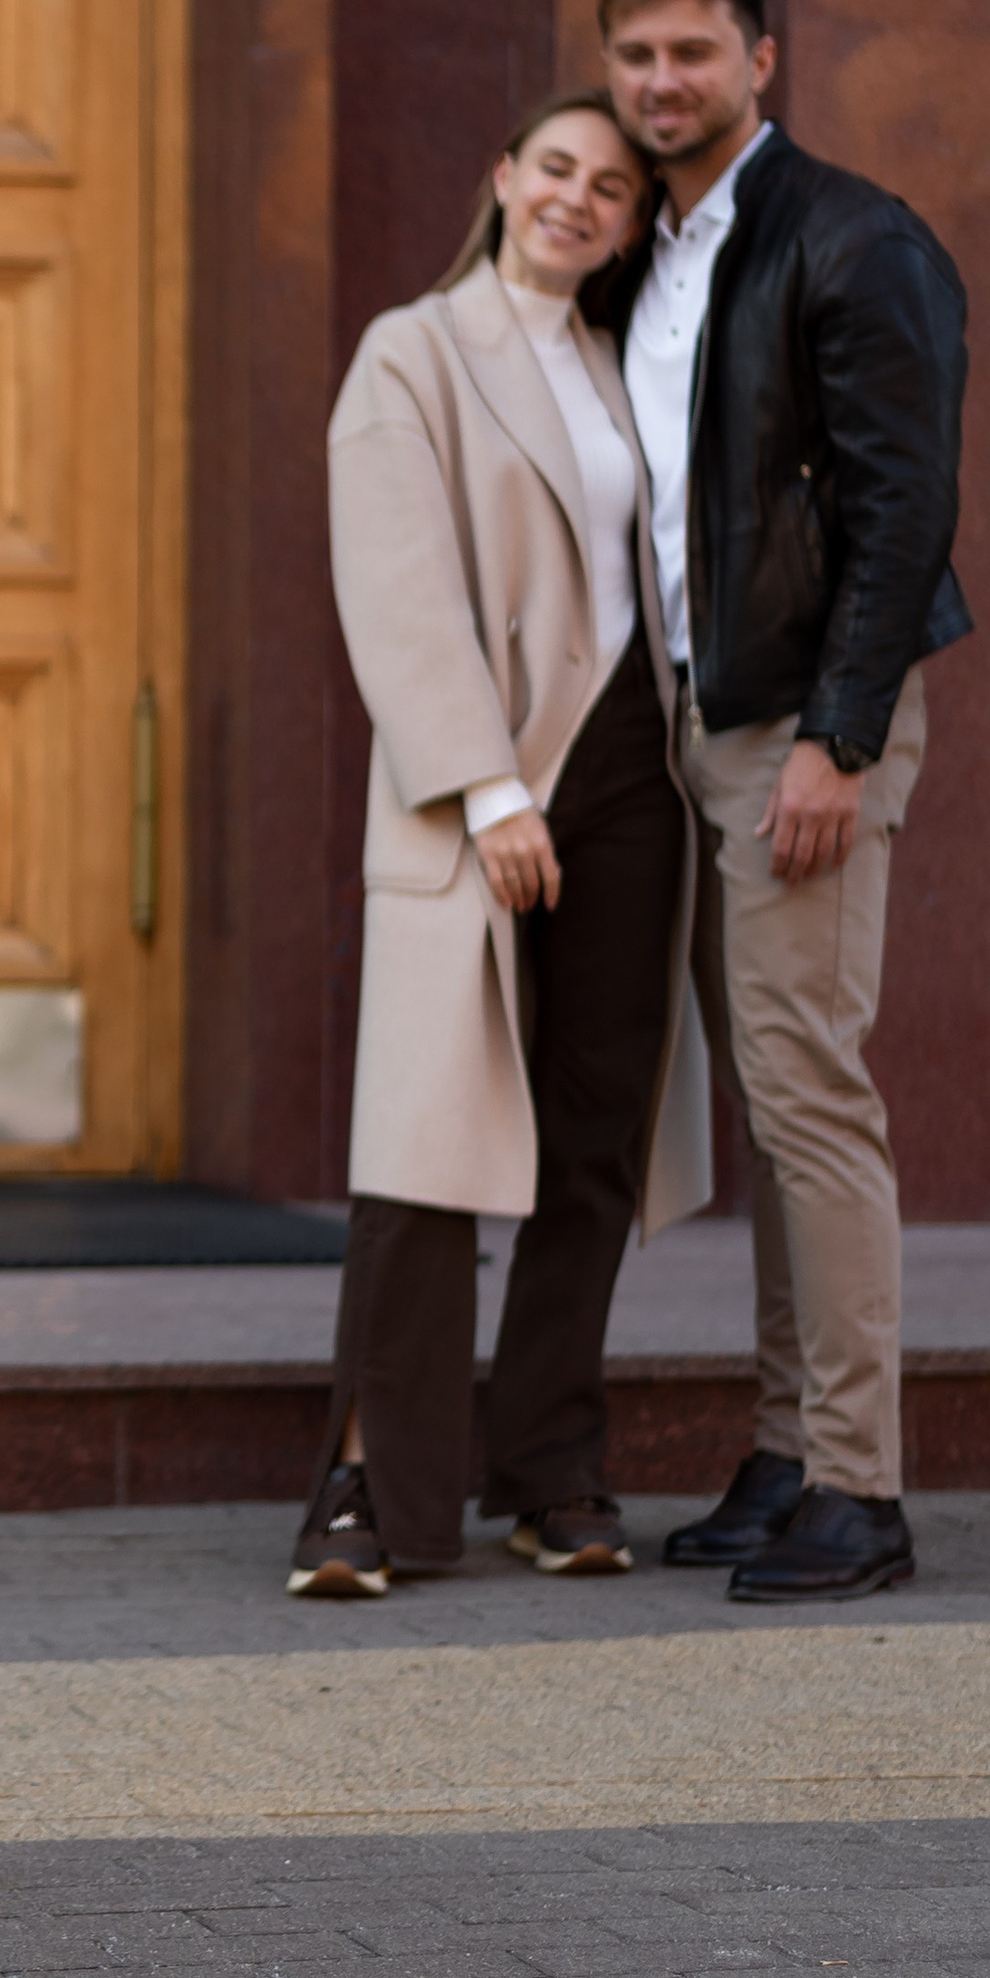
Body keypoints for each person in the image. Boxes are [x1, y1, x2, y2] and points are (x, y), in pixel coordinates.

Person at [288, 93, 708, 1598]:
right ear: (503, 176)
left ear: (631, 222)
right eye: (557, 169)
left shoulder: (624, 362)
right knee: (424, 1139)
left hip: (633, 772)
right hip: (476, 781)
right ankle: (367, 1485)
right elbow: (395, 580)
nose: (578, 198)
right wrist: (484, 788)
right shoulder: (412, 349)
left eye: (612, 186)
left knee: (591, 1136)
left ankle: (549, 1470)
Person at [599, 0, 968, 1604]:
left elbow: (906, 506)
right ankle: (784, 1446)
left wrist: (841, 734)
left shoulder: (851, 234)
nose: (662, 79)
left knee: (810, 1086)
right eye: (637, 54)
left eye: (693, 49)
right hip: (700, 713)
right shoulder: (661, 249)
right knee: (766, 1087)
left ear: (760, 60)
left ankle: (859, 1482)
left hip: (801, 725)